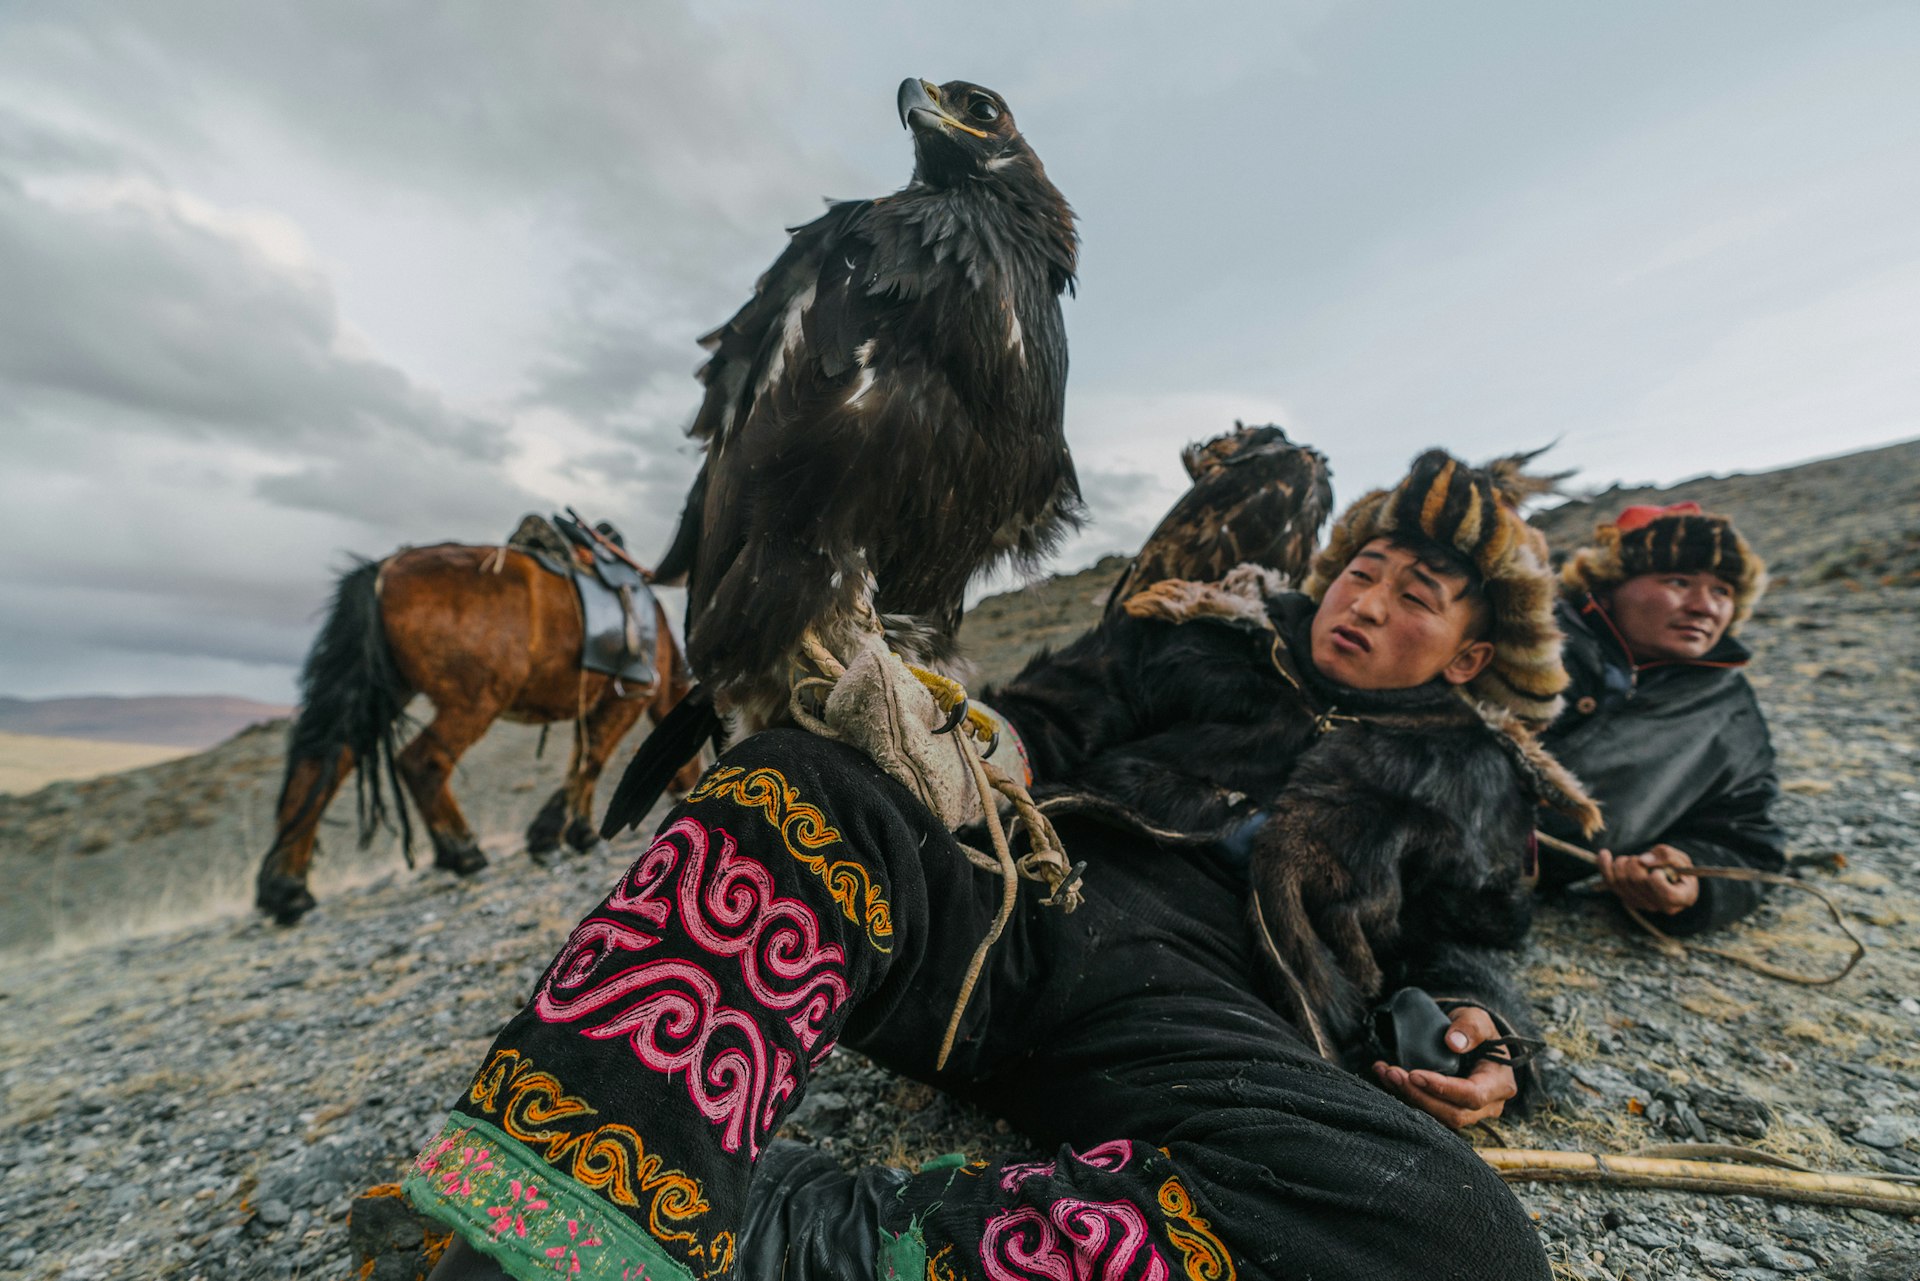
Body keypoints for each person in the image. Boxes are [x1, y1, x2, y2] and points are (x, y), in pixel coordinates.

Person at [408, 450, 1591, 1281]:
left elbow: (1472, 942)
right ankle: (550, 1223)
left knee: (1453, 1236)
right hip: (1012, 912)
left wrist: (1490, 1036)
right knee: (791, 784)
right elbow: (1040, 725)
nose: (1368, 602)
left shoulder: (1475, 776)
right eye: (1364, 571)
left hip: (1205, 1018)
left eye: (1416, 597)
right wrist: (946, 746)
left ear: (1470, 650)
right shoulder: (1196, 637)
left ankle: (793, 1232)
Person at [1537, 502, 1786, 932]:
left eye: (1722, 591)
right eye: (1678, 581)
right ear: (1611, 585)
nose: (1704, 607)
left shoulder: (1728, 712)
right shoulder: (1530, 636)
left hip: (1507, 897)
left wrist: (1691, 878)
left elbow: (1748, 843)